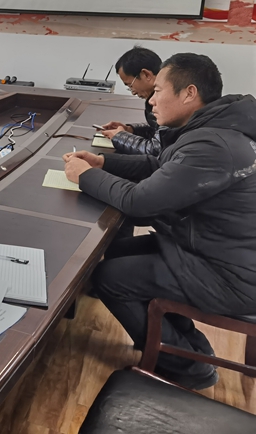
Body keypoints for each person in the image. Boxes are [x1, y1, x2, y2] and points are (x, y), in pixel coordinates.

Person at [62, 53, 256, 390]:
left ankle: (188, 368)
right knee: (119, 252)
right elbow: (160, 168)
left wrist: (86, 176)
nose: (151, 101)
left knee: (109, 278)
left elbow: (140, 202)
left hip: (231, 274)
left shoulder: (212, 145)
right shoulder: (214, 128)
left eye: (158, 91)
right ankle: (189, 346)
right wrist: (103, 163)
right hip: (213, 249)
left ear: (189, 93)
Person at [99, 46, 162, 156]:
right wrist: (130, 130)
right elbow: (157, 132)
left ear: (146, 74)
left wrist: (120, 137)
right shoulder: (159, 98)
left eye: (130, 85)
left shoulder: (167, 103)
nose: (133, 92)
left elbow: (156, 150)